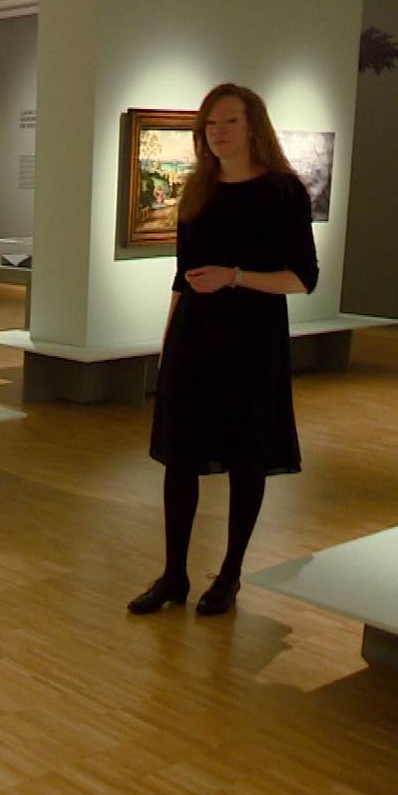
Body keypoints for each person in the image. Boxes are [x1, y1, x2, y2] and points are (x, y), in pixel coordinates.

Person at [129, 83, 319, 617]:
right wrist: (168, 346)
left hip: (252, 343)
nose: (218, 133)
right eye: (210, 124)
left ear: (253, 126)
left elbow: (303, 278)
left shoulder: (283, 193)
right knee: (180, 458)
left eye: (229, 122)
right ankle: (174, 575)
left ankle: (230, 574)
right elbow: (181, 279)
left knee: (246, 457)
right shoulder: (198, 191)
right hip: (196, 338)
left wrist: (235, 277)